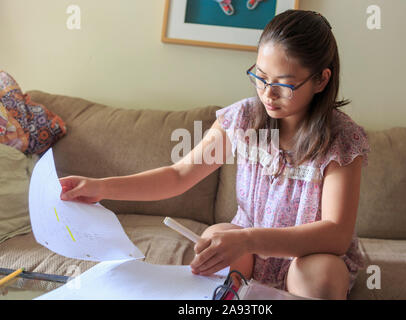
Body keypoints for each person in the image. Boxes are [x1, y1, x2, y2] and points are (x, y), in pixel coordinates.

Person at [59, 10, 370, 300]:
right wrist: (102, 187)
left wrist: (250, 239)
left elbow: (335, 234)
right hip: (247, 248)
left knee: (320, 274)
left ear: (321, 80)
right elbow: (179, 175)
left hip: (308, 253)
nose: (267, 94)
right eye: (260, 77)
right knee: (217, 236)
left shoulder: (342, 139)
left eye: (284, 85)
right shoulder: (245, 117)